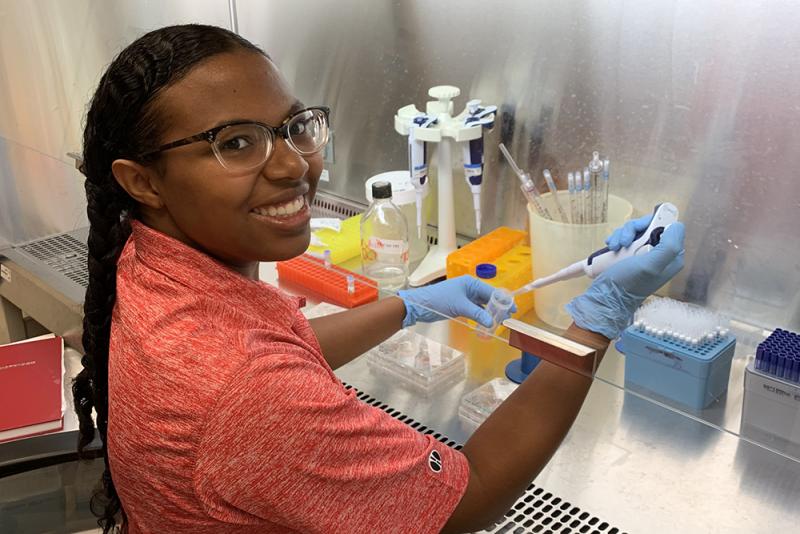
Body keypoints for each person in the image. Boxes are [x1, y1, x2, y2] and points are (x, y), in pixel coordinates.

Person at [72, 24, 685, 534]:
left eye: (292, 128)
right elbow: (461, 505)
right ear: (143, 181)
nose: (293, 165)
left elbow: (272, 346)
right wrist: (599, 317)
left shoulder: (149, 264)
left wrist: (412, 305)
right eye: (235, 143)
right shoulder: (251, 393)